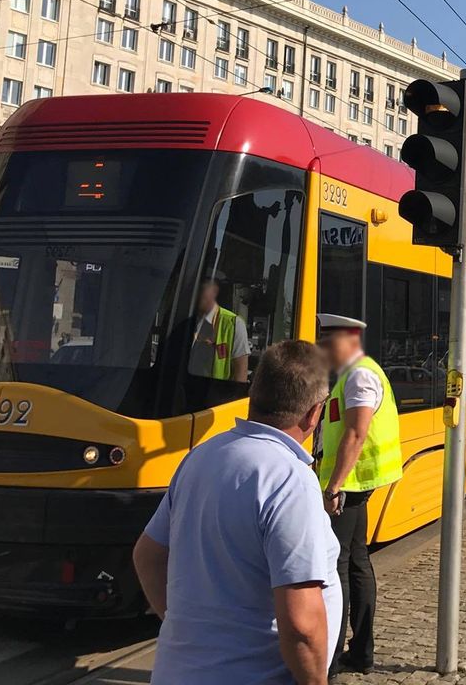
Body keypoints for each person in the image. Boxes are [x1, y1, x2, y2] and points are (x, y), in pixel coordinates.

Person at [133, 340, 342, 685]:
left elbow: (147, 556)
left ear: (254, 393)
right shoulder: (289, 478)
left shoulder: (201, 457)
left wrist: (186, 633)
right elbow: (302, 625)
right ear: (314, 412)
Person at [317, 314, 405, 676]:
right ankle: (361, 652)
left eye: (327, 343)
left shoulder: (360, 376)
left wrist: (333, 486)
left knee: (338, 567)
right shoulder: (355, 374)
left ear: (346, 340)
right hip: (355, 483)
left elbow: (355, 433)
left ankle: (335, 656)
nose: (323, 351)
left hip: (350, 485)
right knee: (356, 561)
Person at [189, 278, 250, 382]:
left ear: (214, 291)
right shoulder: (185, 319)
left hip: (216, 394)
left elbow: (241, 375)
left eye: (204, 288)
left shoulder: (234, 323)